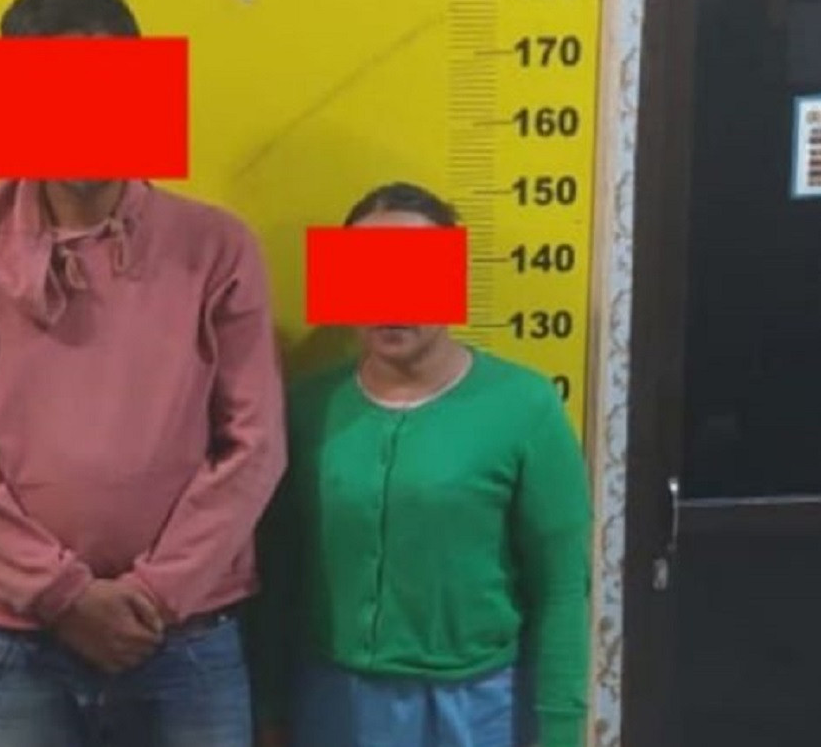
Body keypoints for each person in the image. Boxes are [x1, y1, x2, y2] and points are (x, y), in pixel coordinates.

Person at [0, 0, 286, 746]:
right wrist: (64, 595)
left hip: (188, 632)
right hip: (24, 639)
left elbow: (254, 446)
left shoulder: (218, 248)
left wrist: (154, 595)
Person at [250, 182, 591, 747]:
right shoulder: (307, 408)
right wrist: (269, 708)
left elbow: (560, 588)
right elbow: (277, 572)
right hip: (333, 706)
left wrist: (560, 732)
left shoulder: (525, 407)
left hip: (481, 712)